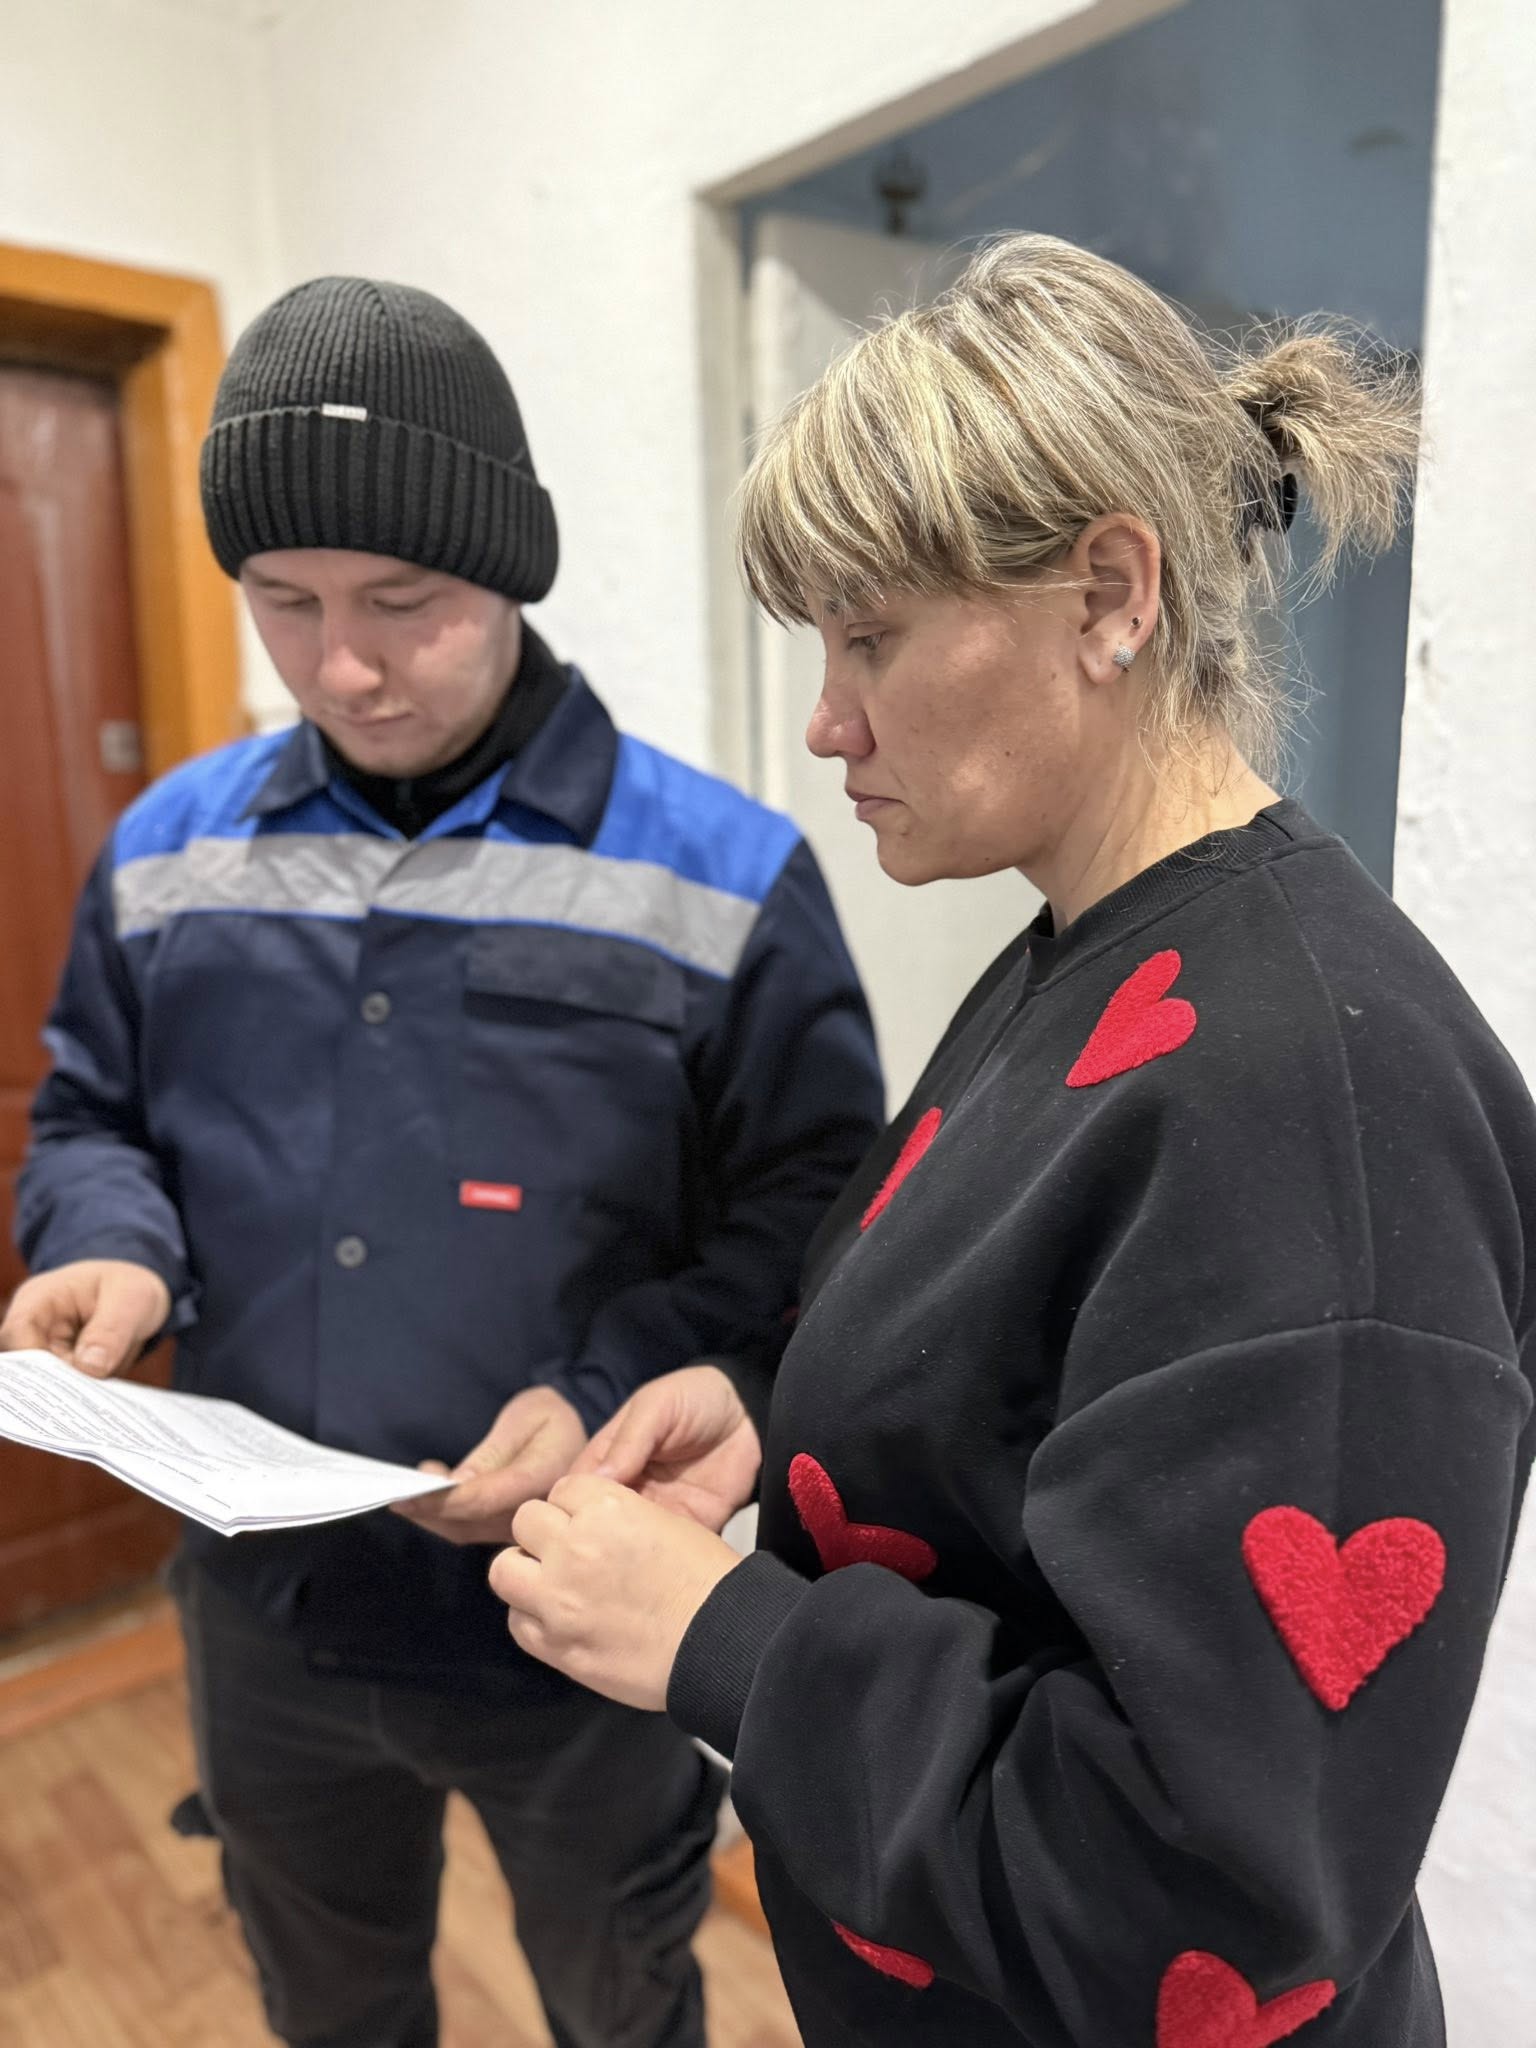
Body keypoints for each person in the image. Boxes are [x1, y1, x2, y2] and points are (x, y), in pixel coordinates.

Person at [486, 233, 1536, 2047]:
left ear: (1110, 593)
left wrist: (729, 1640)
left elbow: (1208, 1904)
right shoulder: (1085, 956)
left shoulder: (1313, 1099)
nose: (828, 721)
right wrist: (775, 1423)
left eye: (873, 637)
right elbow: (1024, 1403)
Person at [0, 276, 883, 2048]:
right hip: (264, 1614)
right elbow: (93, 1109)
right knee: (328, 2000)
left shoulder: (721, 872)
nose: (344, 664)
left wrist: (615, 1383)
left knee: (621, 2005)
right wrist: (112, 1240)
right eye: (286, 602)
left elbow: (814, 1222)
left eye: (402, 602)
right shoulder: (169, 852)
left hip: (581, 1611)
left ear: (508, 570)